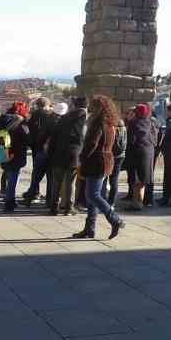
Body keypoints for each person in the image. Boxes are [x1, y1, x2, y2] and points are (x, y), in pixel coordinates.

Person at [72, 95, 125, 239]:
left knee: (93, 195)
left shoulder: (98, 123)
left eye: (93, 105)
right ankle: (90, 228)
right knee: (91, 198)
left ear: (99, 108)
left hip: (96, 162)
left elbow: (91, 144)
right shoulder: (110, 122)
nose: (90, 107)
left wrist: (81, 159)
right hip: (105, 161)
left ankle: (115, 219)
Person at [46, 96, 86, 216]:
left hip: (58, 153)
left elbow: (54, 137)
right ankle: (68, 207)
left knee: (56, 181)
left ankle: (53, 207)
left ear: (74, 105)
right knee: (70, 182)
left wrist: (51, 153)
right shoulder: (83, 118)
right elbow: (80, 137)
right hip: (73, 153)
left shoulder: (64, 117)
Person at [22, 98, 56, 205]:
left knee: (36, 172)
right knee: (50, 174)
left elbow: (27, 129)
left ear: (37, 105)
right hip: (49, 148)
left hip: (36, 147)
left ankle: (34, 193)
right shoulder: (51, 116)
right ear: (47, 105)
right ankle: (49, 198)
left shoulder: (32, 115)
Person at [0, 102, 30, 212]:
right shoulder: (21, 123)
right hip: (16, 155)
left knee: (8, 175)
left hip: (4, 153)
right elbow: (26, 139)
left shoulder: (2, 121)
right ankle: (9, 202)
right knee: (13, 179)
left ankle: (8, 197)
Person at [124, 103, 156, 210]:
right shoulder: (150, 122)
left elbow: (130, 140)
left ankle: (136, 204)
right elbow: (155, 138)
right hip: (149, 152)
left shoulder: (133, 123)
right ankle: (141, 202)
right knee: (144, 179)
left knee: (136, 180)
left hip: (137, 153)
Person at [102, 108, 128, 205]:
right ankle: (111, 203)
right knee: (114, 179)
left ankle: (103, 200)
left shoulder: (110, 126)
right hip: (120, 155)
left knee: (104, 177)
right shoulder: (123, 126)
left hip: (109, 155)